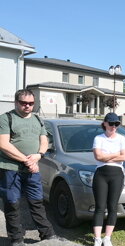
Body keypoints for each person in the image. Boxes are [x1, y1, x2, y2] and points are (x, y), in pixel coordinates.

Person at [0, 89, 61, 246]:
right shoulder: (6, 118)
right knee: (12, 203)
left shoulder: (37, 119)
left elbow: (44, 141)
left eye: (31, 103)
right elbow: (3, 144)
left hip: (32, 170)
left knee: (37, 202)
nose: (27, 106)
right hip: (10, 168)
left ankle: (47, 235)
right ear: (16, 102)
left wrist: (39, 154)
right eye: (23, 103)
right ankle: (16, 239)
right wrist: (27, 161)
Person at [92, 113, 125, 246]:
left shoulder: (122, 139)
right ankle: (97, 238)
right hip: (101, 174)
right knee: (100, 207)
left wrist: (107, 156)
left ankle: (107, 237)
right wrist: (116, 154)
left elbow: (124, 157)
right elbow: (98, 157)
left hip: (117, 174)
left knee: (112, 207)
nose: (113, 126)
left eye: (116, 124)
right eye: (111, 123)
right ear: (105, 123)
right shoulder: (98, 138)